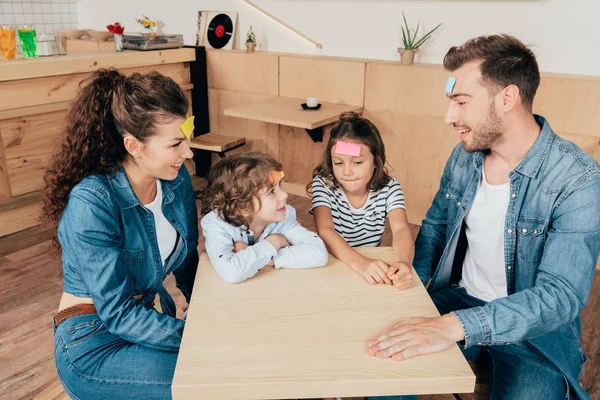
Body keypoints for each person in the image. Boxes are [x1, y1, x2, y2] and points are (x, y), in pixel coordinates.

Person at [366, 34, 600, 399]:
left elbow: (559, 297)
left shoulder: (578, 180)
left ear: (507, 98)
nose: (449, 117)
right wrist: (413, 275)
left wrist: (453, 327)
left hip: (535, 333)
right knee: (384, 367)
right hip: (460, 299)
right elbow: (436, 226)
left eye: (460, 102)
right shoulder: (465, 156)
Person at [42, 69, 199, 399]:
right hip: (93, 340)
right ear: (134, 145)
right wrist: (199, 336)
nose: (189, 152)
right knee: (214, 379)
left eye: (188, 135)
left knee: (236, 364)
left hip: (144, 323)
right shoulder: (92, 202)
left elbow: (188, 259)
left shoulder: (176, 178)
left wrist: (207, 311)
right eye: (175, 143)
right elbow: (117, 313)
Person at [309, 112, 413, 290]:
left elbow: (401, 229)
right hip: (334, 263)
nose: (347, 172)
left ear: (376, 161)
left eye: (357, 163)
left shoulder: (389, 187)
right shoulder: (323, 184)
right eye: (339, 163)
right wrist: (360, 264)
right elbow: (325, 231)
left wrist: (404, 264)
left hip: (369, 267)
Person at [200, 151, 328, 283]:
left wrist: (268, 259)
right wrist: (274, 242)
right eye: (272, 191)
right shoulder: (216, 224)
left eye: (280, 186)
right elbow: (231, 272)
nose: (284, 195)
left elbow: (318, 253)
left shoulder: (283, 217)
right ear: (243, 206)